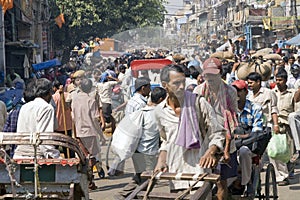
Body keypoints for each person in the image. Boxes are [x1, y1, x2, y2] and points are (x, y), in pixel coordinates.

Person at [154, 64, 225, 193]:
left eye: (183, 82)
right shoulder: (159, 111)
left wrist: (211, 151)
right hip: (176, 175)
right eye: (176, 83)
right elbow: (165, 141)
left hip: (200, 171)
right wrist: (161, 160)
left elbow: (217, 132)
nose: (181, 87)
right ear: (165, 85)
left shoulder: (198, 103)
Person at [193, 58, 238, 199]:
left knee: (221, 182)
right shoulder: (198, 91)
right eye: (207, 75)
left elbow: (231, 121)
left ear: (220, 74)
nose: (210, 78)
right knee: (201, 181)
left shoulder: (230, 91)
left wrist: (226, 149)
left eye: (213, 74)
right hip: (204, 141)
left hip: (225, 140)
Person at [108, 77, 151, 176]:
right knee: (134, 154)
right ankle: (140, 177)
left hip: (130, 129)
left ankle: (115, 170)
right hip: (136, 132)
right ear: (143, 88)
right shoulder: (140, 103)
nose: (150, 90)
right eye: (149, 87)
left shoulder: (133, 100)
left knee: (125, 151)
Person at [231, 80, 264, 196]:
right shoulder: (229, 110)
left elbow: (257, 131)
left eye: (239, 91)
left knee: (244, 151)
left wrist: (240, 136)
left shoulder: (255, 108)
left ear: (245, 91)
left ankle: (246, 183)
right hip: (231, 145)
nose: (236, 93)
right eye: (233, 91)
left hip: (250, 146)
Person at [14, 78, 60, 159]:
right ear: (49, 93)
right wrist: (53, 156)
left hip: (19, 154)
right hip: (36, 156)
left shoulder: (25, 106)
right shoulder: (47, 108)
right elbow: (44, 138)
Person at [71, 78, 105, 190]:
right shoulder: (91, 101)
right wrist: (101, 134)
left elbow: (72, 115)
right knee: (92, 157)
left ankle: (88, 180)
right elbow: (95, 119)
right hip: (89, 132)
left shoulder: (74, 100)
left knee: (85, 157)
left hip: (78, 131)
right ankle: (89, 180)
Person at [132, 87, 167, 184]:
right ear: (161, 100)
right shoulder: (159, 113)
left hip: (137, 150)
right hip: (149, 152)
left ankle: (124, 195)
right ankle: (125, 195)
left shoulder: (142, 112)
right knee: (147, 181)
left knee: (140, 179)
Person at [273, 67, 300, 185]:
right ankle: (282, 176)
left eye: (280, 80)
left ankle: (289, 172)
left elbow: (296, 109)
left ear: (285, 80)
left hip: (288, 125)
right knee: (278, 151)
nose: (278, 82)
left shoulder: (292, 93)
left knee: (289, 151)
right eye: (276, 80)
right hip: (275, 124)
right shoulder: (272, 92)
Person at [52, 80, 74, 158]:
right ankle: (71, 163)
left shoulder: (53, 97)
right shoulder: (68, 95)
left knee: (55, 147)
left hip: (57, 126)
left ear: (54, 88)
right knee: (68, 147)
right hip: (67, 125)